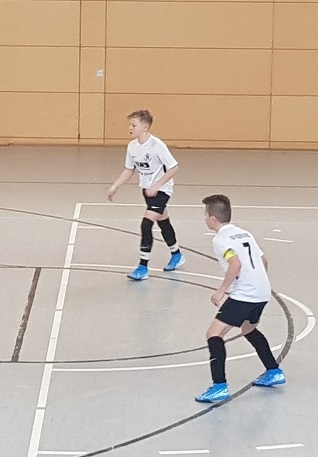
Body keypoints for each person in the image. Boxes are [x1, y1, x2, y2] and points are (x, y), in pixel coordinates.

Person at [195, 194, 285, 404]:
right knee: (248, 329)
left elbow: (235, 265)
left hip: (246, 294)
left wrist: (221, 291)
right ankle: (274, 371)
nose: (205, 218)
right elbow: (263, 262)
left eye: (205, 215)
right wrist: (257, 283)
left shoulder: (221, 240)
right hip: (263, 291)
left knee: (213, 334)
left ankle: (219, 386)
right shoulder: (244, 233)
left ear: (213, 218)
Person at [105, 108, 183, 280]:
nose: (130, 128)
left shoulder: (157, 146)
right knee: (163, 221)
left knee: (146, 224)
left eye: (133, 125)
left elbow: (173, 167)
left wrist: (157, 185)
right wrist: (115, 186)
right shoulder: (132, 147)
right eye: (129, 125)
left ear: (145, 127)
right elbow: (129, 169)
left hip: (162, 190)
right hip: (147, 190)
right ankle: (177, 254)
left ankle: (143, 267)